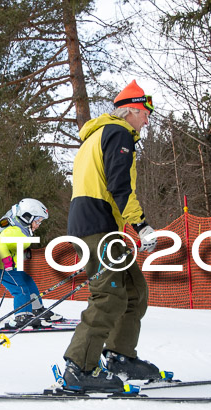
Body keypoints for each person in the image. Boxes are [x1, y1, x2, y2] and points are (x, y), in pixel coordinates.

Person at [61, 80, 161, 392]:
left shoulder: (96, 136)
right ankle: (80, 367)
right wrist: (141, 224)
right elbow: (120, 186)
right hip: (98, 225)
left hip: (95, 224)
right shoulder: (118, 133)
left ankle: (120, 357)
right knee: (109, 294)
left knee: (133, 289)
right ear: (131, 110)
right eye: (146, 112)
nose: (147, 120)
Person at [0, 198, 63, 330]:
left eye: (40, 222)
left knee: (28, 282)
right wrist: (7, 261)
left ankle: (36, 310)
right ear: (27, 217)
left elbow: (11, 245)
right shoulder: (15, 231)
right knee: (21, 289)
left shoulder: (21, 231)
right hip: (2, 267)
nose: (38, 225)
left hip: (12, 267)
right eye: (37, 221)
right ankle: (22, 316)